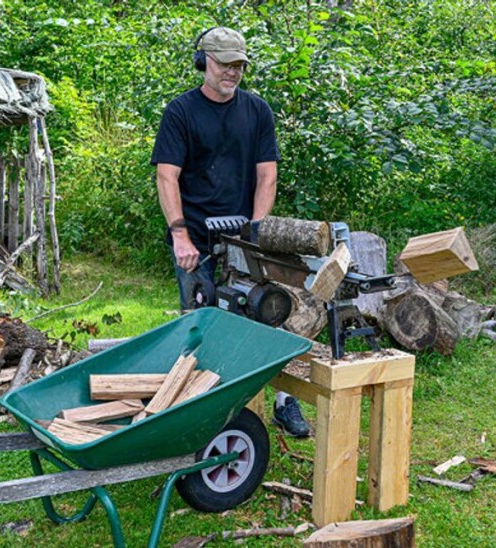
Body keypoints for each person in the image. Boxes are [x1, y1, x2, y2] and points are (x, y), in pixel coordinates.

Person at [150, 26, 310, 437]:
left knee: (266, 314)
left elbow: (267, 175)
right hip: (197, 240)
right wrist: (180, 236)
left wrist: (255, 232)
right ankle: (196, 413)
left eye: (239, 65)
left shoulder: (257, 111)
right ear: (203, 60)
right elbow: (167, 177)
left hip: (242, 238)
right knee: (201, 324)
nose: (232, 72)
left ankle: (281, 401)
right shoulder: (181, 112)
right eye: (224, 63)